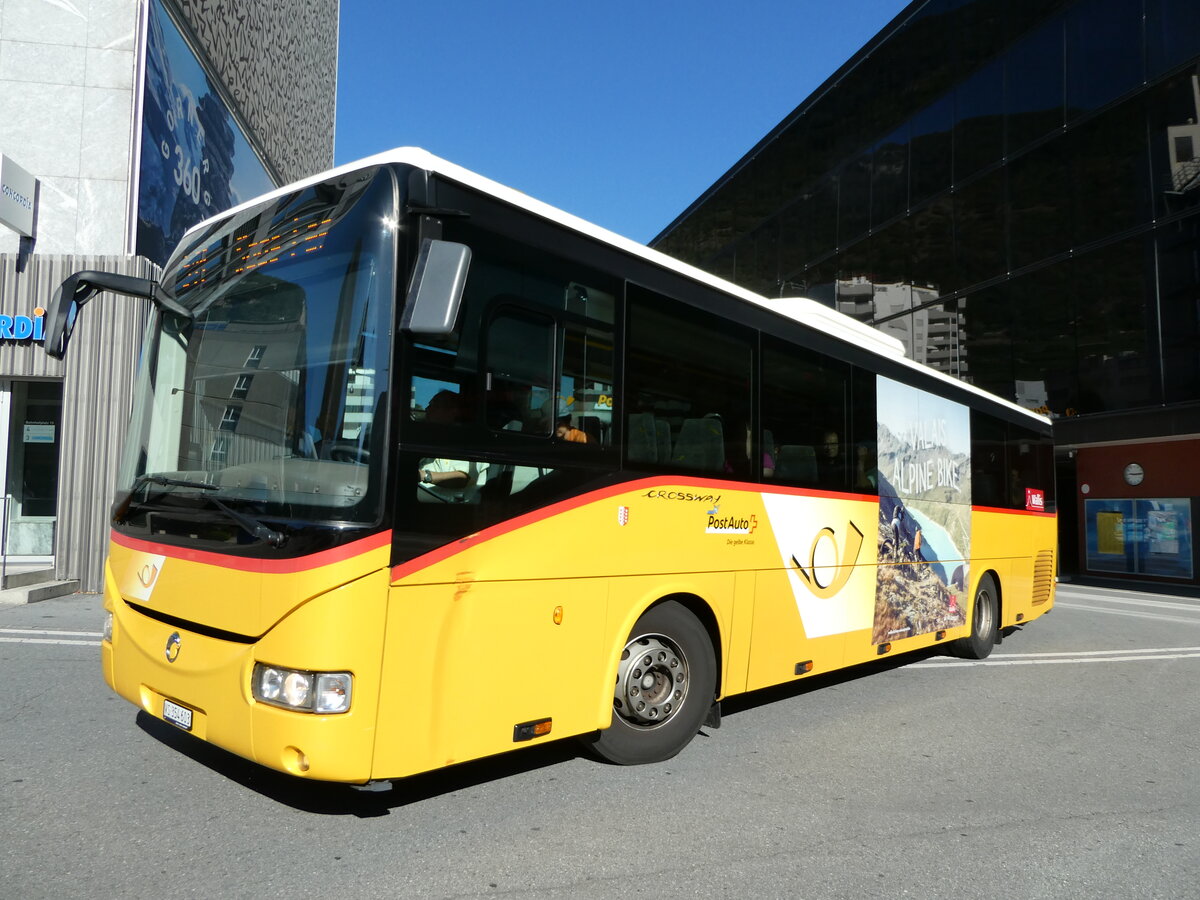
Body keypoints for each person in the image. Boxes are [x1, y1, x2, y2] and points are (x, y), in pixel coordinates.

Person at [417, 390, 489, 501]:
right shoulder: (435, 437)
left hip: (446, 503)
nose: (427, 409)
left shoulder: (464, 439)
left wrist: (424, 476)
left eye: (434, 406)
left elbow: (462, 478)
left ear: (453, 411)